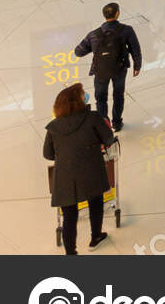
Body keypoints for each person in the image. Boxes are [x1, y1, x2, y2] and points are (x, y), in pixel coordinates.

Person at [43, 82, 115, 253]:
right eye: (83, 94)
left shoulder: (53, 127)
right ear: (78, 101)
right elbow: (108, 138)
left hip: (65, 177)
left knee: (69, 215)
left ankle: (71, 252)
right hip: (91, 170)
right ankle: (95, 237)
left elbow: (48, 154)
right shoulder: (93, 118)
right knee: (96, 204)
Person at [73, 3, 142, 130]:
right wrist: (137, 66)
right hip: (120, 70)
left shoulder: (93, 34)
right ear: (117, 14)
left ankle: (104, 124)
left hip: (100, 71)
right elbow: (135, 50)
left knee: (100, 98)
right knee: (118, 95)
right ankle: (117, 123)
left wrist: (94, 47)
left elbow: (78, 52)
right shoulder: (127, 30)